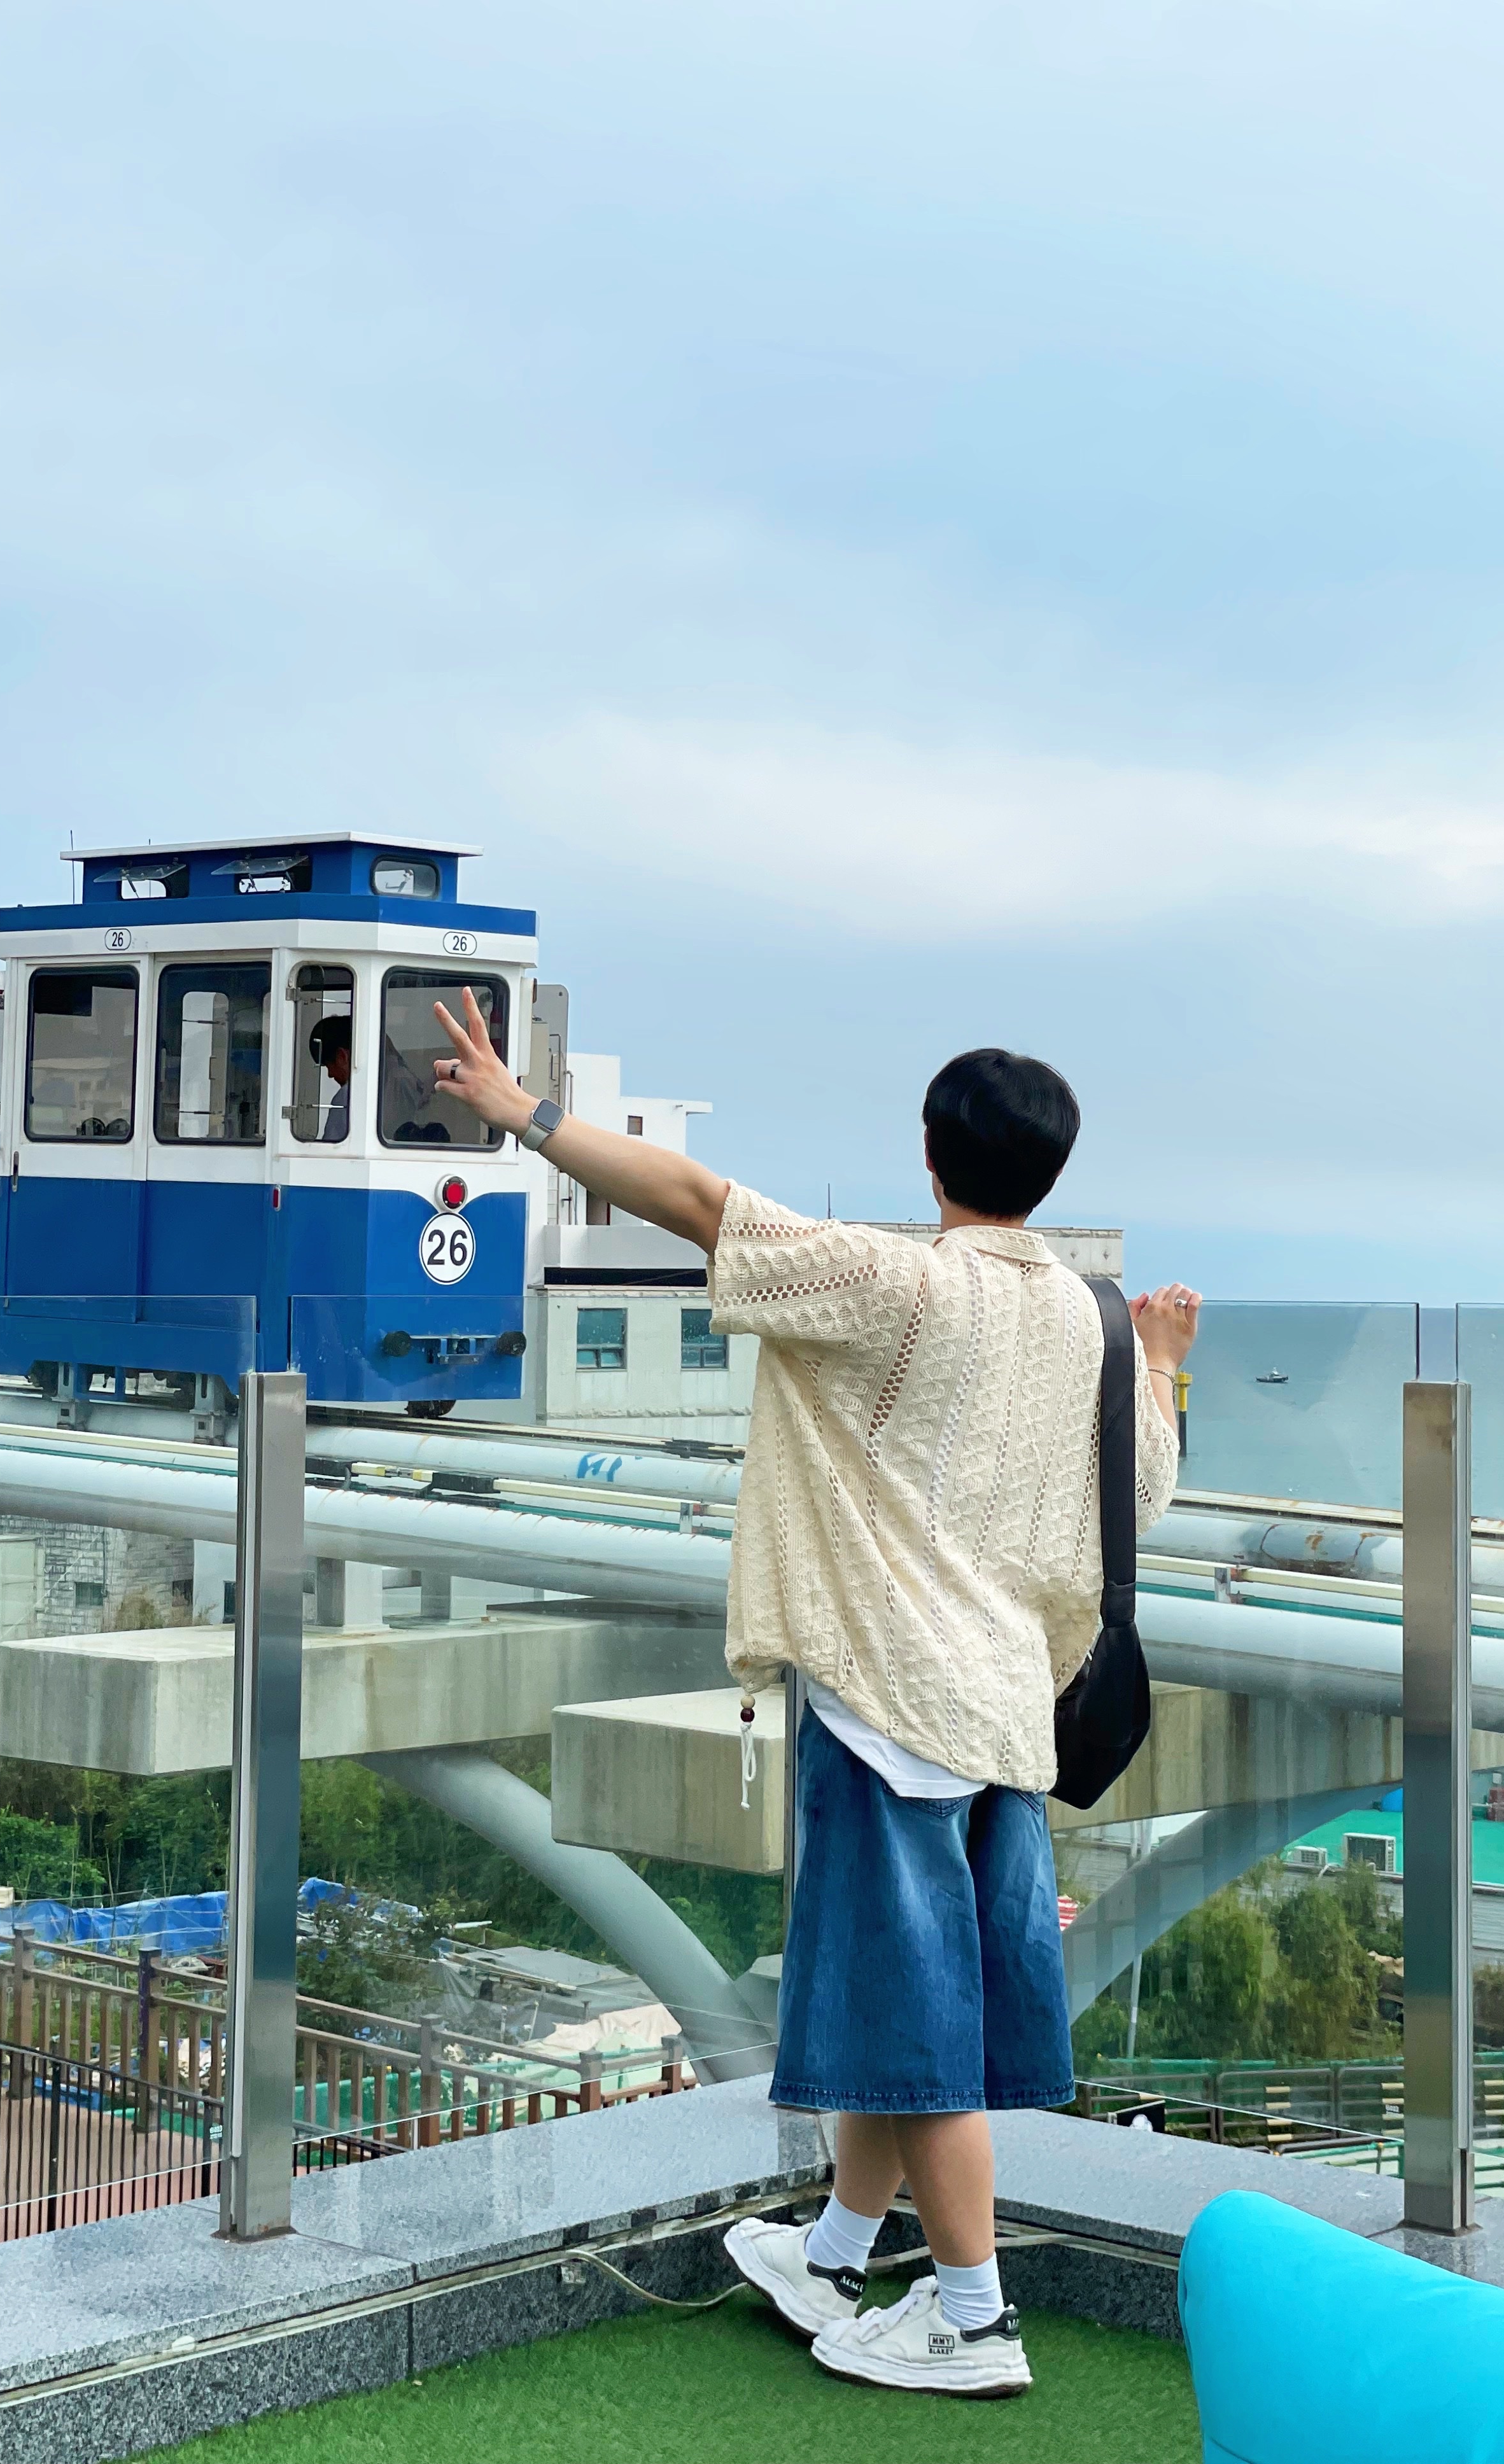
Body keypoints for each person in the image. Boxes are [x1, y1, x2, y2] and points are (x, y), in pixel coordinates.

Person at [429, 990, 1200, 2400]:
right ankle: (838, 2251)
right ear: (1051, 1170)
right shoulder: (1092, 1323)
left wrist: (522, 1114)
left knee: (919, 2040)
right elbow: (1140, 1492)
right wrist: (1163, 1360)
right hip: (1005, 1719)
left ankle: (973, 2318)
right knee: (891, 2008)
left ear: (931, 1154)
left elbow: (694, 1197)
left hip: (889, 1703)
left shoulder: (895, 1285)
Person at [310, 1015, 353, 1142]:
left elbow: (331, 1150)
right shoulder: (406, 1082)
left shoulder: (347, 1097)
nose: (330, 1075)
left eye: (329, 1066)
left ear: (342, 1057)